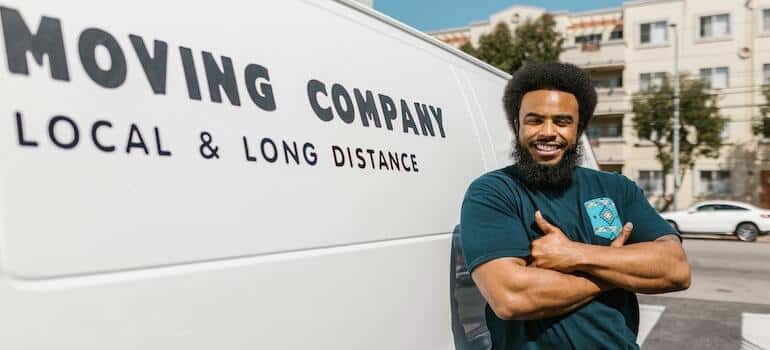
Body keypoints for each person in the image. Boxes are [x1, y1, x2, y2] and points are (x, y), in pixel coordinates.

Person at [459, 62, 691, 349]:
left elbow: (675, 268)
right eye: (534, 120)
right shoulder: (493, 192)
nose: (548, 132)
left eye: (562, 121)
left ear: (578, 128)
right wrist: (614, 273)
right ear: (518, 125)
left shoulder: (616, 189)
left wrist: (575, 254)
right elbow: (510, 297)